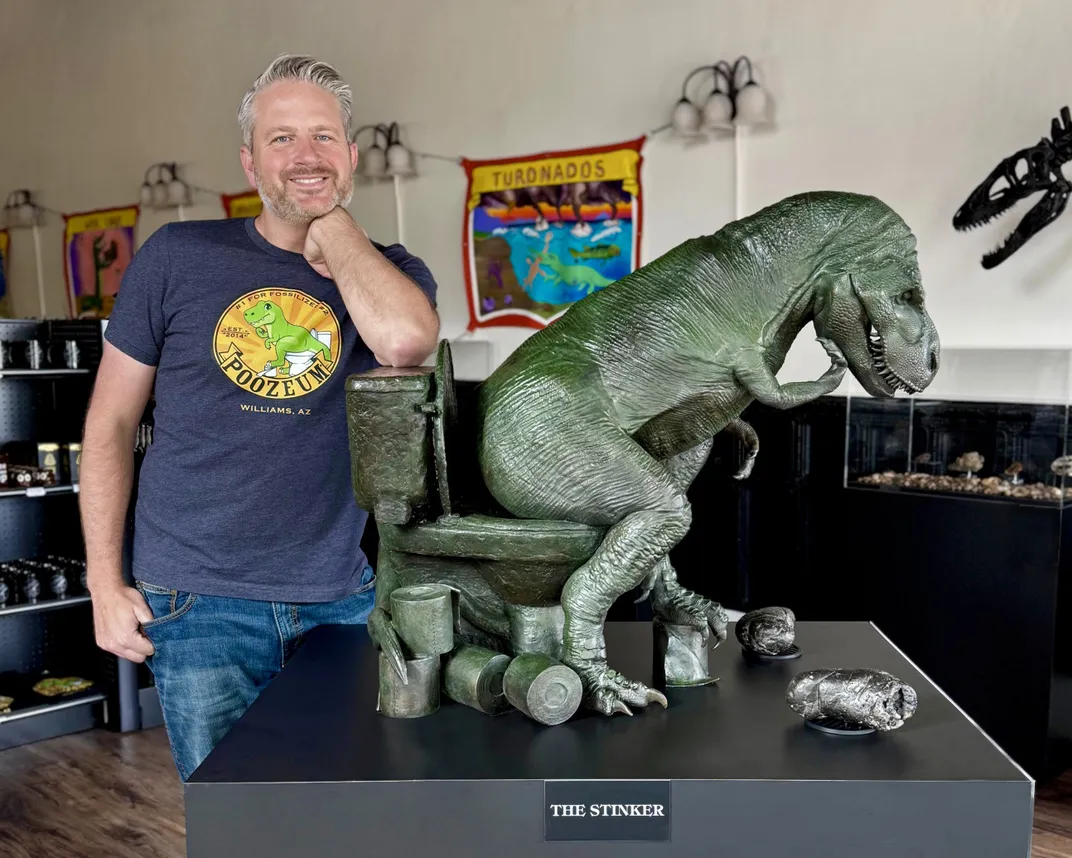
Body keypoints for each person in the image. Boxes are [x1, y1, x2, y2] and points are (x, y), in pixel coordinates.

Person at [79, 54, 440, 782]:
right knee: (235, 819)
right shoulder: (177, 257)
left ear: (352, 156)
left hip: (339, 594)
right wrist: (103, 582)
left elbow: (404, 340)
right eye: (281, 140)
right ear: (249, 162)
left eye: (323, 138)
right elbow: (110, 425)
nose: (305, 156)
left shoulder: (390, 273)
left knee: (347, 811)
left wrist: (333, 231)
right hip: (196, 599)